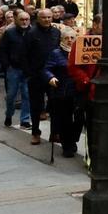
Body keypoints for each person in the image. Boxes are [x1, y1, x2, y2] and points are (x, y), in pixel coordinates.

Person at [44, 27, 83, 157]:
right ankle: (67, 145)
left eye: (72, 38)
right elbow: (47, 69)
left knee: (79, 118)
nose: (69, 40)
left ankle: (73, 140)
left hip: (78, 90)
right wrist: (51, 77)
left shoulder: (80, 52)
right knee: (65, 119)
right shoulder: (56, 53)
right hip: (62, 91)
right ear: (61, 39)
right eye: (66, 38)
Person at [25, 8, 61, 145]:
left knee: (55, 104)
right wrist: (28, 72)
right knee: (36, 105)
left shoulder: (56, 32)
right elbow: (24, 54)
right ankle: (35, 132)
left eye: (49, 17)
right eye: (44, 17)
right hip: (36, 74)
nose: (47, 20)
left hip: (52, 74)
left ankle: (55, 132)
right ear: (38, 18)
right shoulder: (31, 33)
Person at [0, 10, 33, 129]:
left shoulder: (32, 32)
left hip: (27, 70)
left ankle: (25, 119)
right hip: (13, 68)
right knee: (11, 95)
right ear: (16, 20)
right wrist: (6, 65)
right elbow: (3, 50)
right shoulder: (9, 33)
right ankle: (9, 114)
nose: (24, 22)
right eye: (22, 20)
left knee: (27, 95)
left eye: (26, 19)